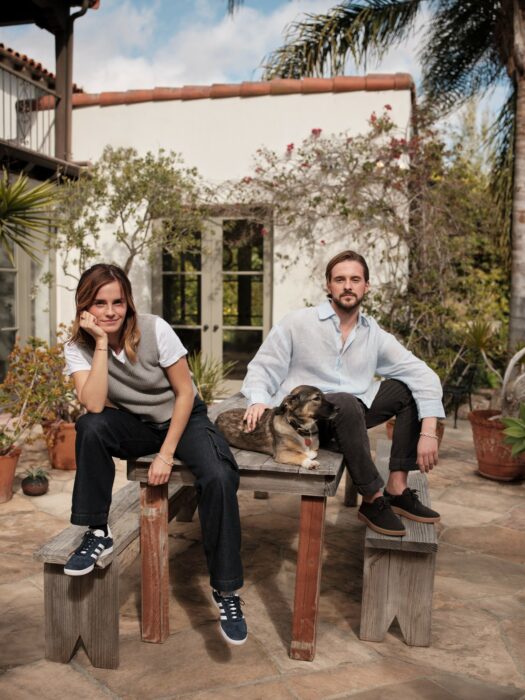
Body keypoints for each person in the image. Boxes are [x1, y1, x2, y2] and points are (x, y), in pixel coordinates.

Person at [63, 263, 247, 646]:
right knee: (90, 427)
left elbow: (185, 394)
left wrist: (165, 455)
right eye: (100, 303)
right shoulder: (78, 348)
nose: (110, 311)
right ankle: (97, 530)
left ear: (128, 302)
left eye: (118, 302)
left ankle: (226, 590)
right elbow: (94, 405)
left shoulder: (154, 329)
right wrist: (99, 344)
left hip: (183, 418)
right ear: (85, 307)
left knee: (218, 475)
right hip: (137, 424)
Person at [241, 250, 443, 536]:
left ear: (366, 286)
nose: (348, 285)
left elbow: (424, 375)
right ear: (329, 285)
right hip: (307, 424)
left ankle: (397, 489)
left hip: (350, 419)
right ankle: (373, 499)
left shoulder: (374, 334)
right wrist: (259, 398)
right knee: (346, 400)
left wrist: (429, 431)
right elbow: (263, 366)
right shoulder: (298, 323)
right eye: (340, 279)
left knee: (405, 389)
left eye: (355, 279)